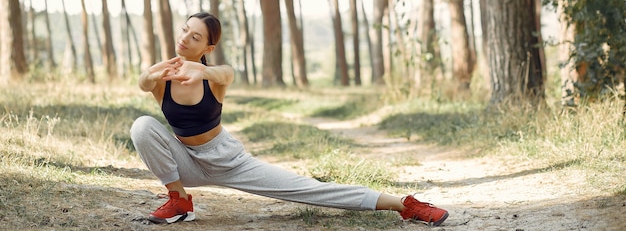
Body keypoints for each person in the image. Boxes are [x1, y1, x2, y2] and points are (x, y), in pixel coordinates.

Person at [130, 12, 449, 226]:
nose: (185, 38)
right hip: (186, 161)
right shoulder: (164, 75)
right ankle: (180, 200)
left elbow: (227, 73)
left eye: (195, 37)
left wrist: (203, 70)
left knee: (311, 189)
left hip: (228, 160)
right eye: (185, 30)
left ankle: (403, 204)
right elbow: (145, 84)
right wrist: (151, 72)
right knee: (142, 126)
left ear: (208, 46)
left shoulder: (214, 77)